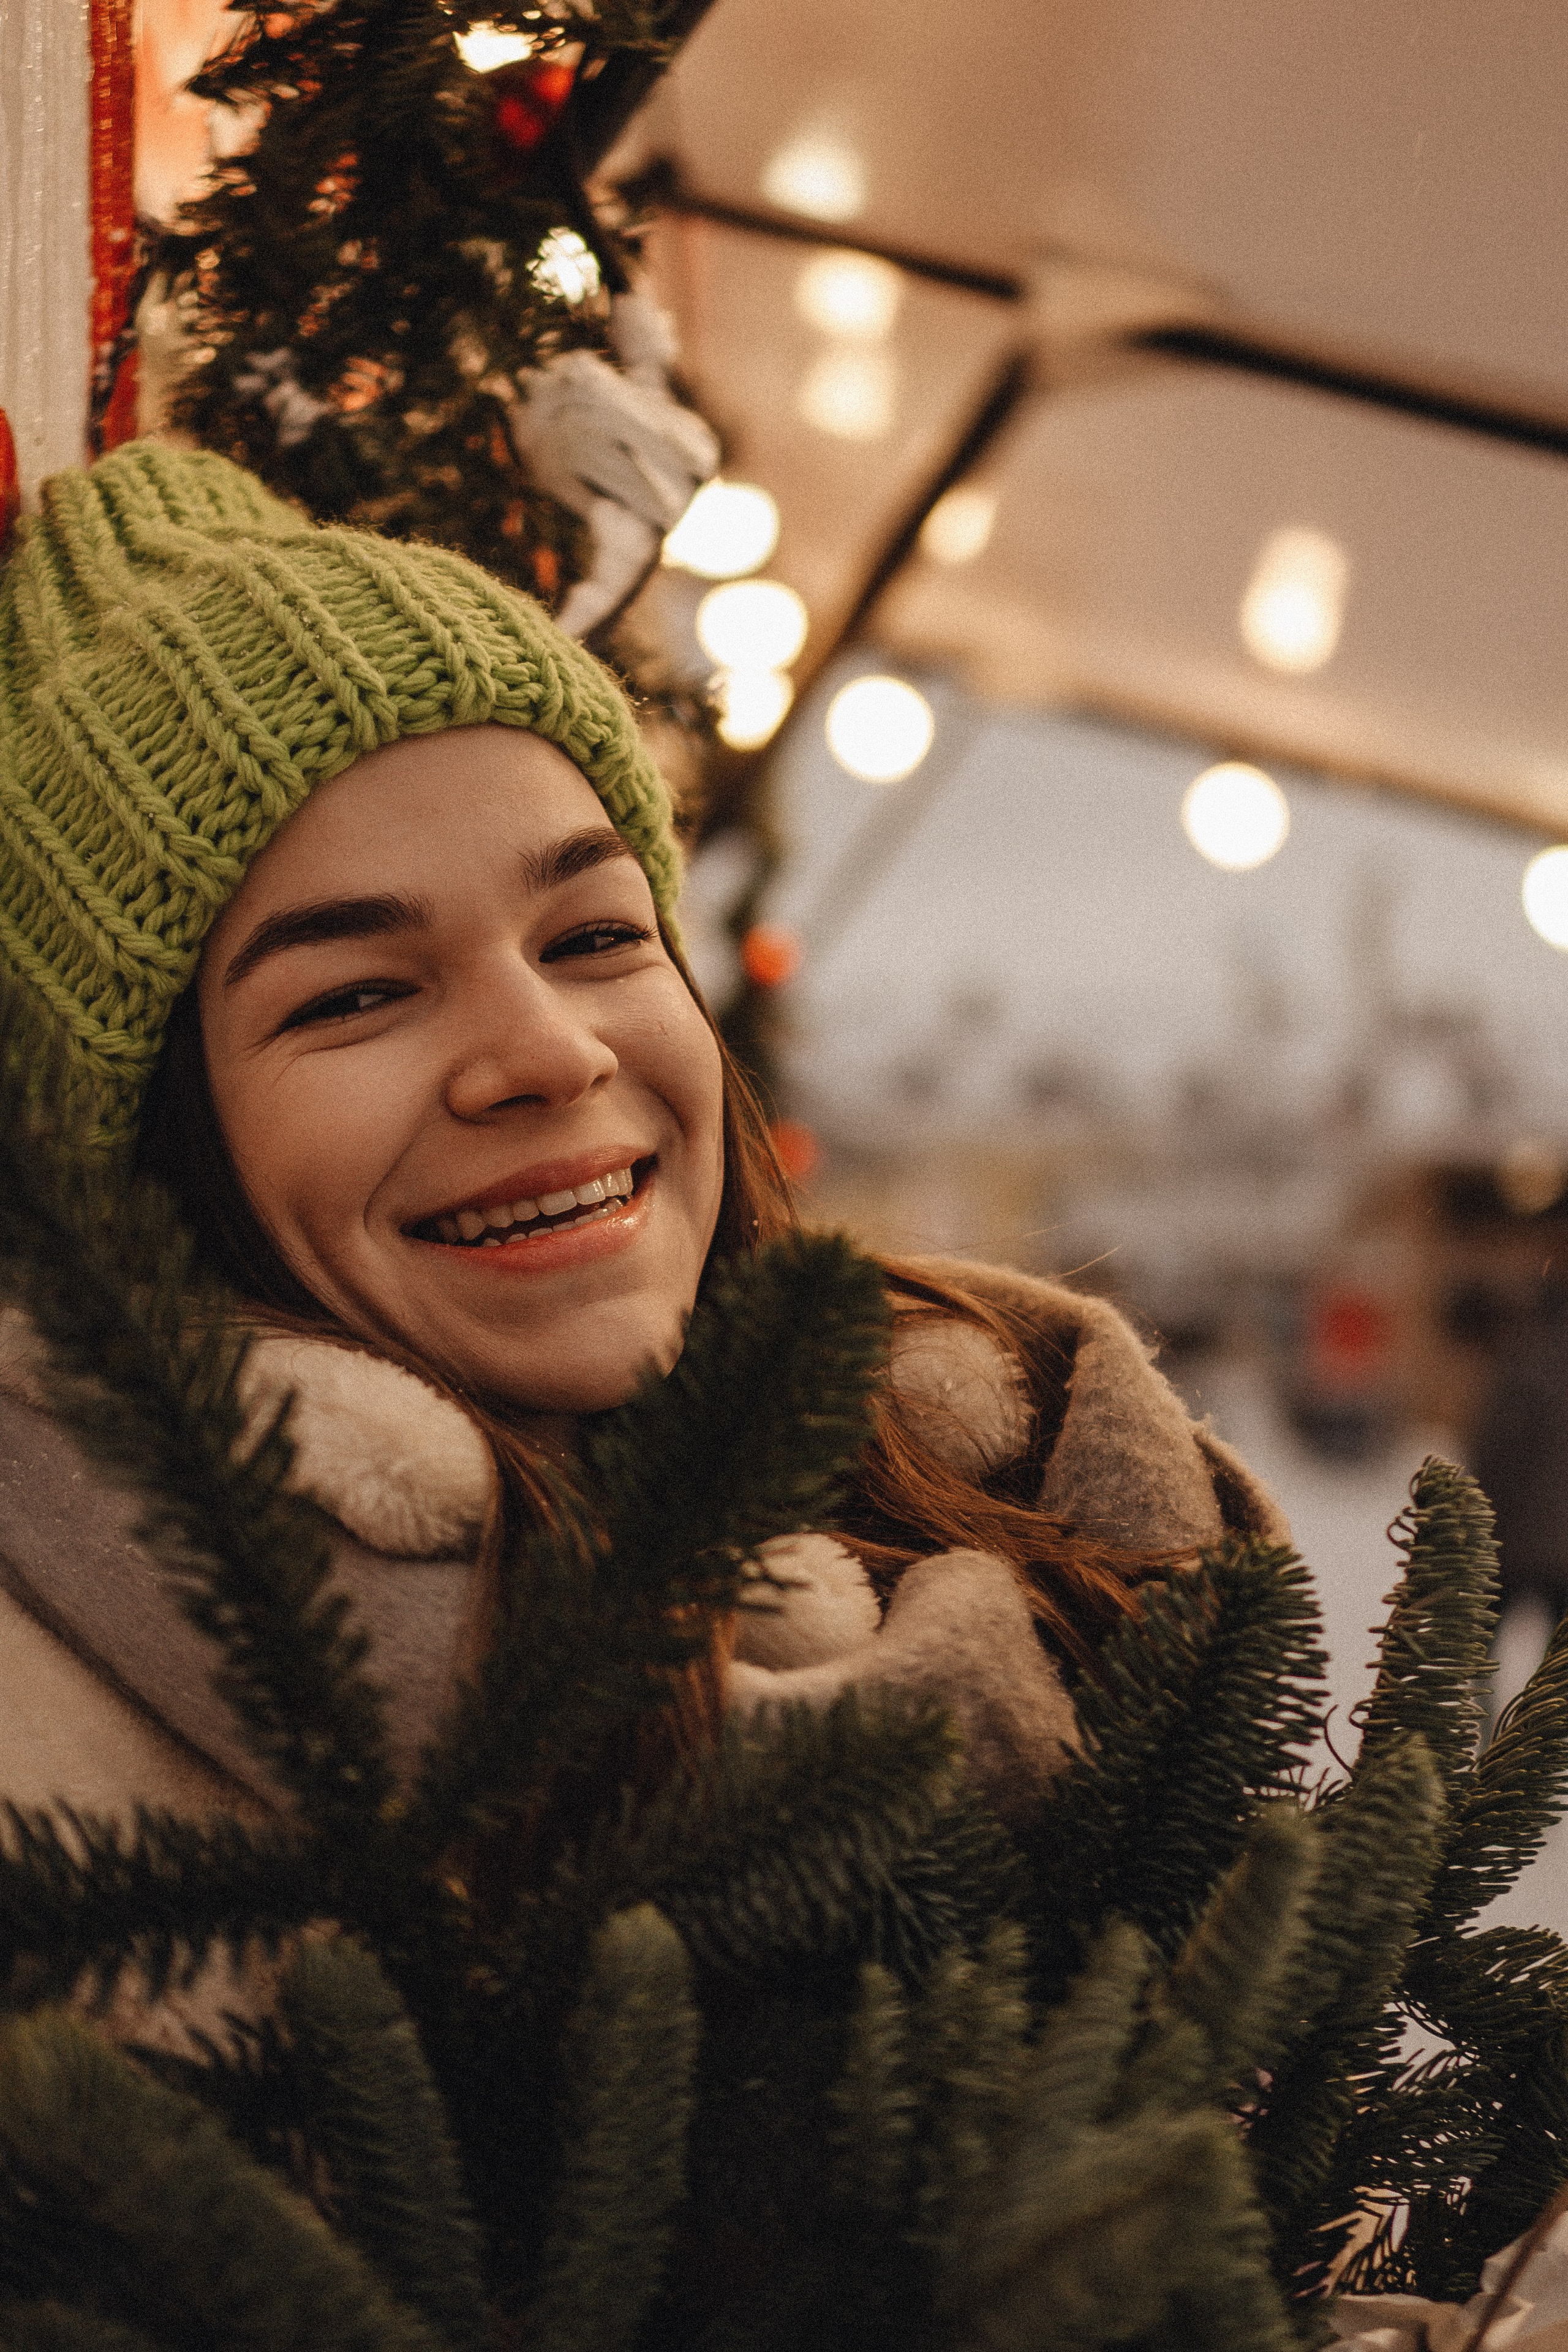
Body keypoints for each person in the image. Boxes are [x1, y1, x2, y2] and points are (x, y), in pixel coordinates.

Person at [0, 440, 1286, 1892]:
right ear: (133, 1163)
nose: (548, 1053)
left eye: (594, 936)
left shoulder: (1052, 1477)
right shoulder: (60, 1826)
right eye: (355, 994)